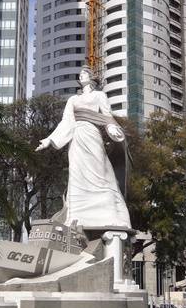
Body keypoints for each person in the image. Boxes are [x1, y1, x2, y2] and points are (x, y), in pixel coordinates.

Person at [35, 66, 131, 229]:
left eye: (85, 73)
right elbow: (66, 122)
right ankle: (76, 216)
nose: (81, 75)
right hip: (77, 137)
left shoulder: (99, 95)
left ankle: (109, 213)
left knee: (99, 171)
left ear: (91, 77)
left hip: (92, 135)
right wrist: (49, 140)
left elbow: (107, 116)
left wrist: (113, 129)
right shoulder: (73, 100)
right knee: (77, 172)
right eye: (80, 74)